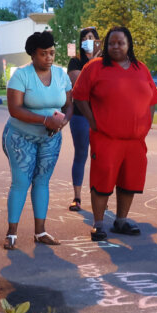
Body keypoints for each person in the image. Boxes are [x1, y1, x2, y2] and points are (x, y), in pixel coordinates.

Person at [72, 26, 157, 241]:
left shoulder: (141, 69)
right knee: (102, 181)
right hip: (106, 137)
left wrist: (146, 124)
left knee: (129, 181)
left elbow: (152, 99)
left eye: (120, 42)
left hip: (135, 140)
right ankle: (99, 223)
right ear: (106, 45)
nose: (116, 46)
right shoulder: (94, 68)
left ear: (129, 45)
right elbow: (79, 96)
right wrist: (92, 121)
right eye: (112, 43)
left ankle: (121, 220)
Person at [1, 31, 72, 249]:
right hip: (20, 136)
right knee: (21, 181)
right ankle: (12, 233)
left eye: (51, 53)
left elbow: (69, 104)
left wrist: (62, 122)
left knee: (42, 182)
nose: (49, 58)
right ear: (33, 55)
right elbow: (14, 109)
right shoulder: (21, 76)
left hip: (50, 138)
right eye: (43, 54)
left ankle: (40, 232)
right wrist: (45, 120)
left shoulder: (61, 75)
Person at [66, 27, 99, 211]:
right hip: (80, 115)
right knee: (81, 155)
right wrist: (93, 63)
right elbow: (80, 85)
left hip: (101, 115)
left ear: (98, 41)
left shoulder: (105, 61)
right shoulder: (75, 61)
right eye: (85, 38)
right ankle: (77, 197)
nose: (88, 40)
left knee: (100, 156)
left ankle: (100, 194)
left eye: (92, 37)